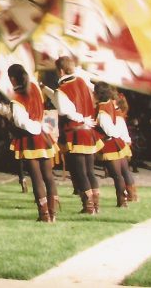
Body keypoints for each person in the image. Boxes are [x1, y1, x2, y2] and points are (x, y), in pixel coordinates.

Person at [0, 64, 59, 222]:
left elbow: (21, 122)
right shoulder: (35, 89)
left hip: (30, 139)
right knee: (48, 176)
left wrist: (35, 126)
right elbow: (17, 113)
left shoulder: (17, 99)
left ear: (12, 79)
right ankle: (52, 213)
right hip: (43, 135)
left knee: (37, 177)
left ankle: (44, 214)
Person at [55, 56, 103, 214]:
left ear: (60, 70)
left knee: (80, 171)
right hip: (88, 130)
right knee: (89, 170)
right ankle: (95, 205)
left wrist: (81, 118)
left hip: (75, 132)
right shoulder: (83, 82)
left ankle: (88, 206)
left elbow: (65, 111)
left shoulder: (63, 89)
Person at [94, 82, 137, 207]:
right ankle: (131, 196)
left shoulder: (102, 110)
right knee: (124, 171)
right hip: (118, 142)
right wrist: (124, 137)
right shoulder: (111, 104)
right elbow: (120, 122)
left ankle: (122, 201)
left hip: (110, 144)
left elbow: (109, 130)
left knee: (117, 175)